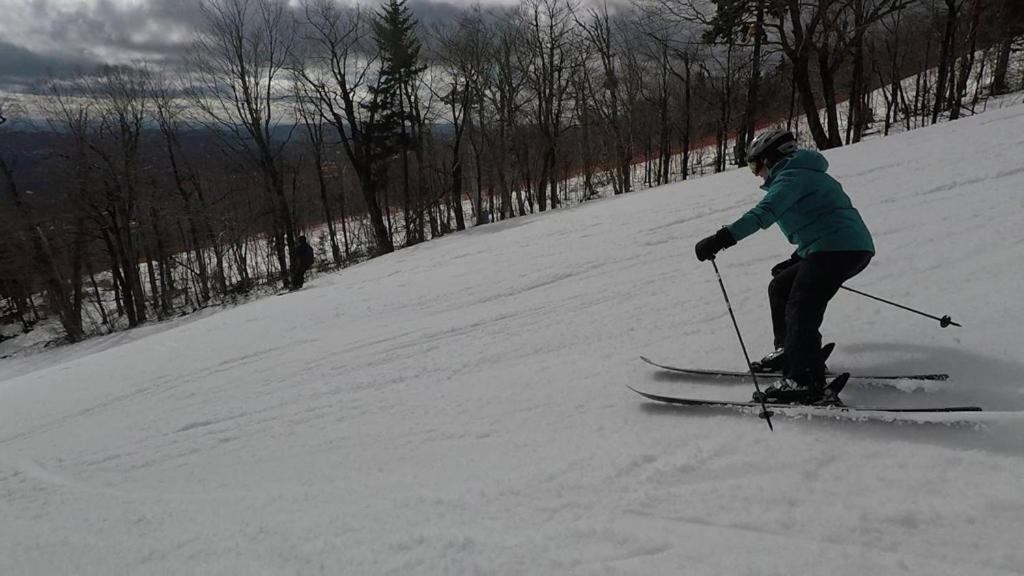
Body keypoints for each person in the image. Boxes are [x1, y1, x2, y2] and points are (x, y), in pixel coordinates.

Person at [694, 130, 875, 404]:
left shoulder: (792, 178)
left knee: (802, 305)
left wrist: (721, 239)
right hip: (835, 247)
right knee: (781, 286)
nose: (756, 174)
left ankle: (804, 380)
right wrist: (800, 257)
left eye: (755, 165)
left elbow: (763, 214)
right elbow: (821, 218)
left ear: (770, 159)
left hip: (837, 249)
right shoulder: (801, 174)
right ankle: (789, 351)